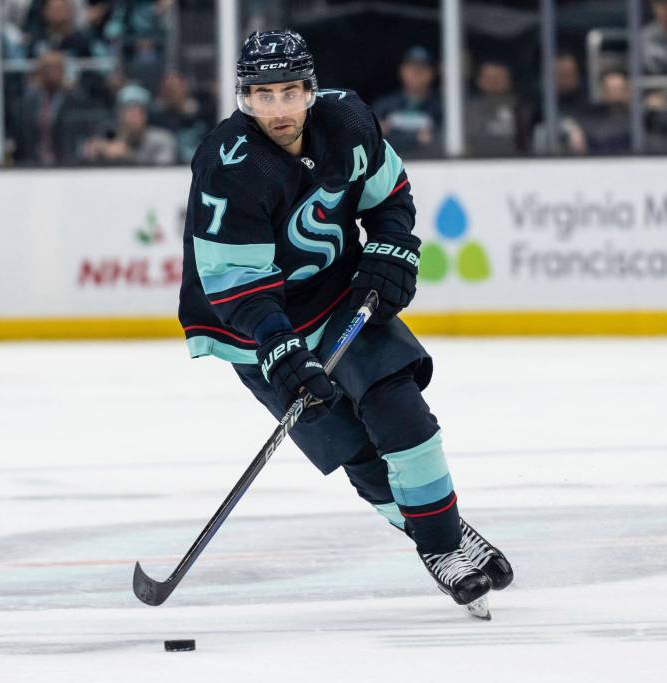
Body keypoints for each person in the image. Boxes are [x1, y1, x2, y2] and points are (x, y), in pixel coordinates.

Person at [177, 30, 513, 619]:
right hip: (253, 327)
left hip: (340, 299)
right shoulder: (228, 164)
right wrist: (279, 347)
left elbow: (390, 197)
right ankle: (443, 529)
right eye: (262, 96)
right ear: (243, 98)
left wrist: (390, 249)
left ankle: (440, 544)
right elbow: (237, 283)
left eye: (289, 92)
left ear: (311, 90)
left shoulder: (350, 122)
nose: (278, 109)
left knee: (398, 405)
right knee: (355, 450)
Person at [372, 46, 443, 158]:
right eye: (412, 69)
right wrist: (415, 138)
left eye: (422, 69)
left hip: (429, 164)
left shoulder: (440, 107)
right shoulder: (385, 106)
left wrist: (392, 133)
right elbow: (373, 141)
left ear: (432, 73)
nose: (417, 74)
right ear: (402, 71)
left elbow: (443, 142)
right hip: (392, 164)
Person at [80, 84, 177, 165]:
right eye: (128, 112)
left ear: (145, 115)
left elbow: (163, 173)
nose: (132, 118)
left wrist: (128, 155)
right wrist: (97, 151)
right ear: (119, 115)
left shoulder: (162, 140)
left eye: (137, 112)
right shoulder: (108, 136)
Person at [464, 61, 525, 156]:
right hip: (476, 162)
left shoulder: (522, 108)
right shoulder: (466, 110)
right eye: (488, 77)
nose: (494, 81)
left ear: (509, 80)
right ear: (479, 81)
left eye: (499, 77)